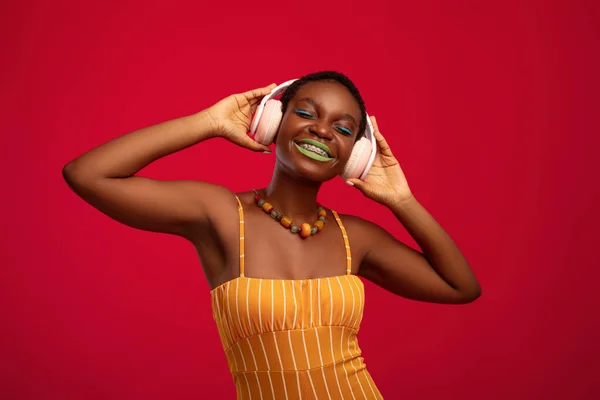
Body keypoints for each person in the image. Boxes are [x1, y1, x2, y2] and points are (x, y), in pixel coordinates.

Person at [63, 71, 481, 399]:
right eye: (305, 113)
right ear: (272, 123)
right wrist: (208, 122)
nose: (322, 131)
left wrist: (401, 200)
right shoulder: (221, 216)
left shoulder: (356, 237)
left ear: (355, 155)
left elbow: (459, 286)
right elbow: (88, 175)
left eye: (343, 127)